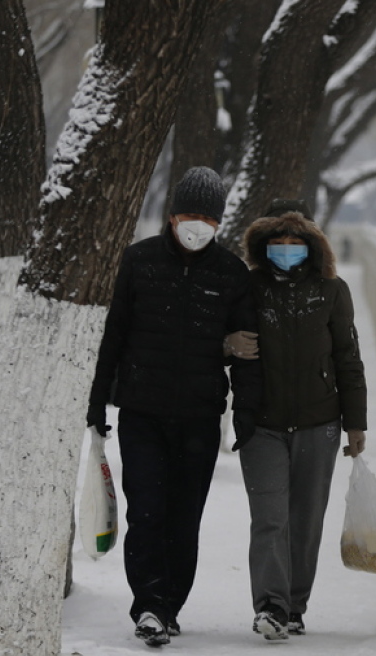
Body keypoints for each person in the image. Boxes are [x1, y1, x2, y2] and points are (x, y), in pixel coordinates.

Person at [86, 166, 261, 647]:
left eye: (208, 217)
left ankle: (169, 606)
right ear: (171, 214)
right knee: (146, 512)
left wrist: (244, 413)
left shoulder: (230, 274)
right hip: (141, 412)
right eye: (189, 214)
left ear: (219, 223)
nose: (197, 225)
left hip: (200, 418)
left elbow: (247, 351)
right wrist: (97, 401)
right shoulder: (138, 262)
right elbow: (113, 336)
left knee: (184, 517)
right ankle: (148, 604)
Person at [234, 204, 367, 640]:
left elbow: (348, 357)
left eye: (295, 242)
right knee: (270, 518)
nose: (286, 249)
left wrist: (355, 424)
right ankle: (271, 606)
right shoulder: (248, 288)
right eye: (277, 242)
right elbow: (219, 342)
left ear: (311, 245)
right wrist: (227, 345)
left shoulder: (331, 290)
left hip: (319, 423)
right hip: (262, 425)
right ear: (263, 246)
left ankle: (294, 605)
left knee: (305, 520)